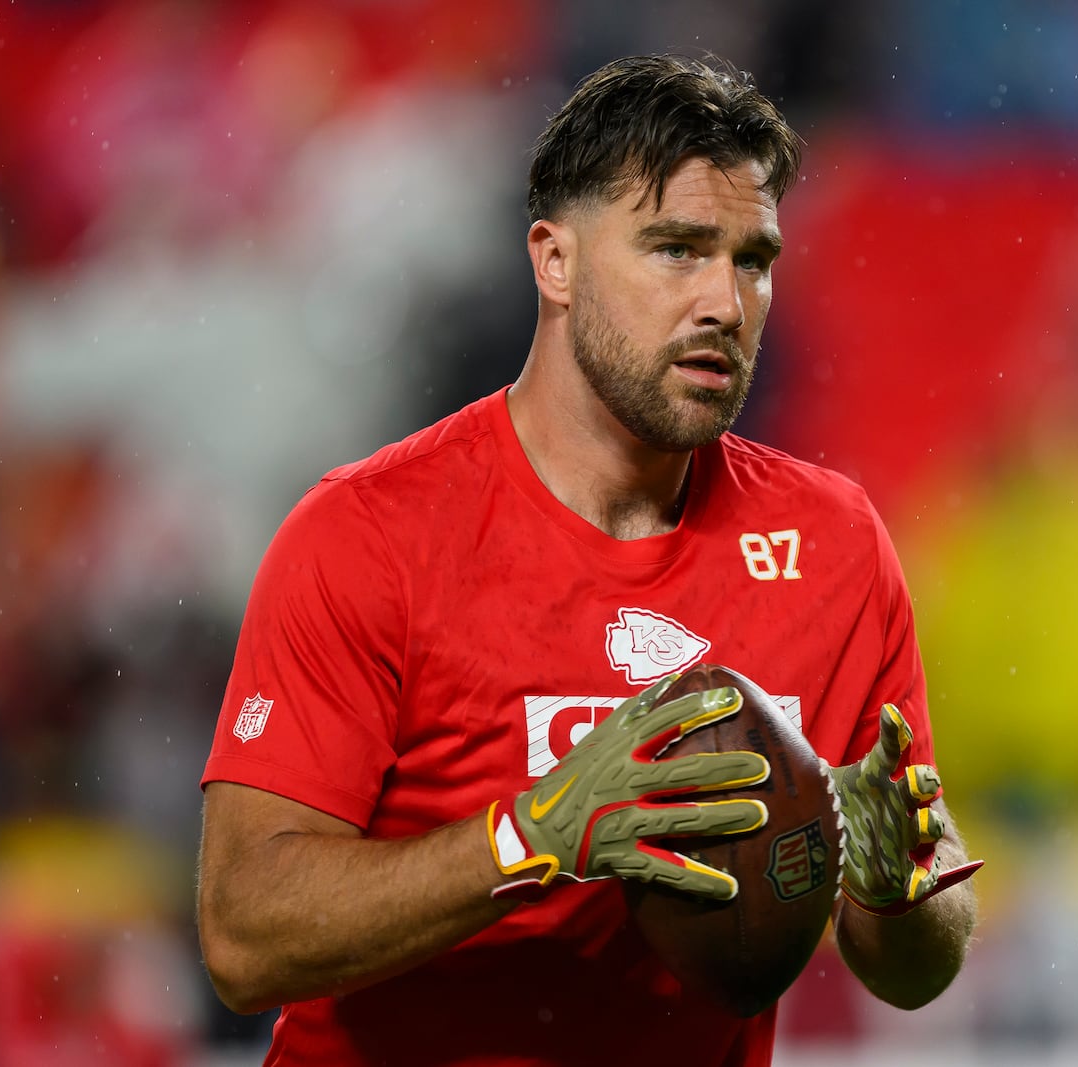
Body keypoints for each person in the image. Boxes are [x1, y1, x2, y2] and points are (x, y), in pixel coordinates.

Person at [196, 53, 982, 1067]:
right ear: (553, 261)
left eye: (752, 259)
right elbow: (243, 936)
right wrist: (534, 834)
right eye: (676, 249)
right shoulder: (366, 535)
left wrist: (895, 890)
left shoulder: (830, 545)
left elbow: (915, 967)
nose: (725, 303)